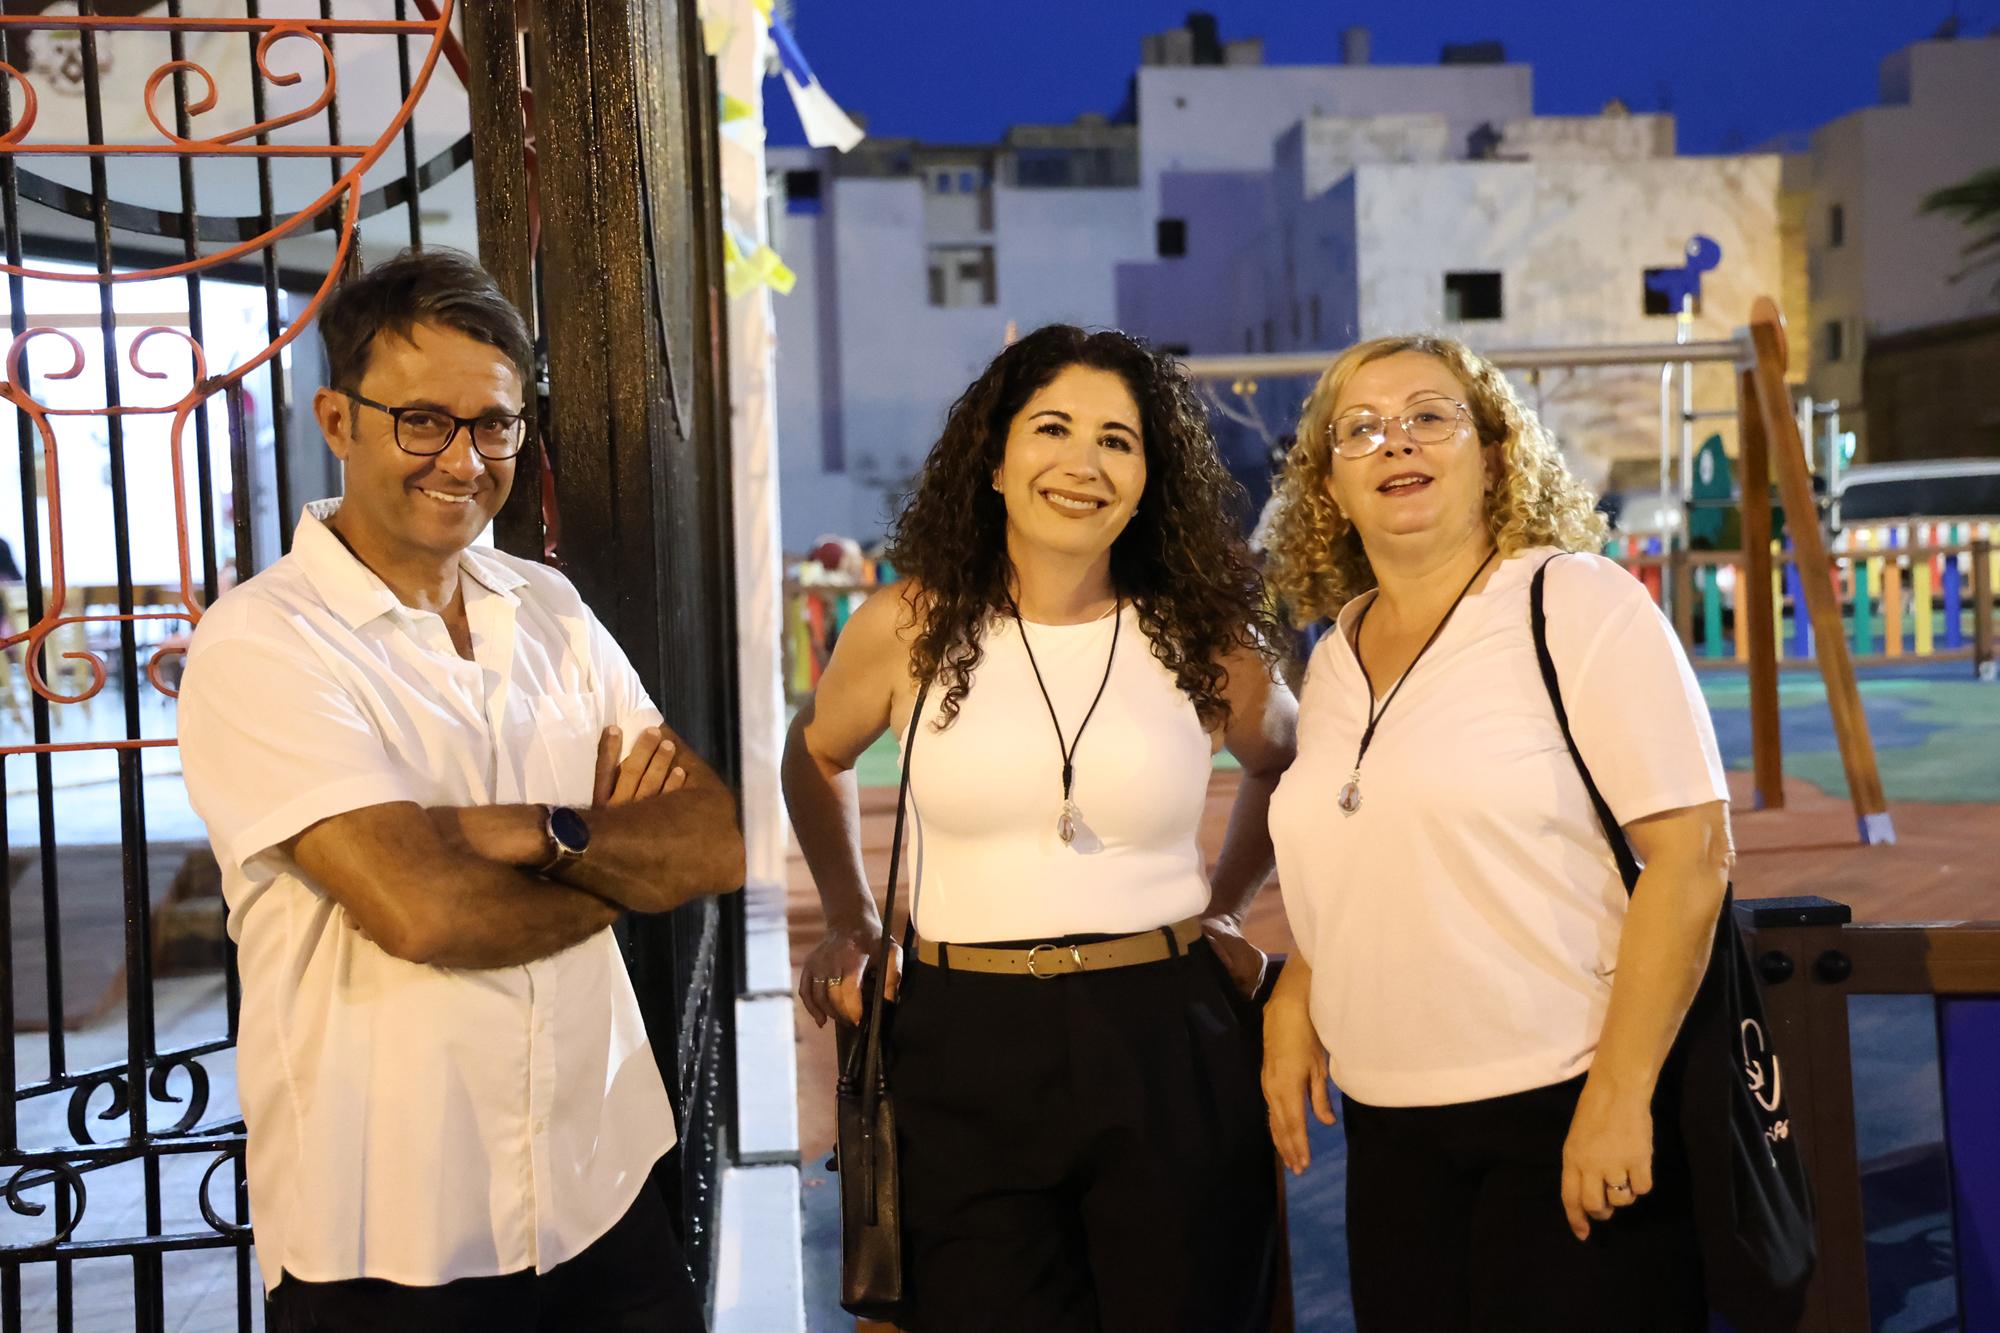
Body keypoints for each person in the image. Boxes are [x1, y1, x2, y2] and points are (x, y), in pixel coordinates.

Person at [177, 248, 744, 1331]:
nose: (464, 458)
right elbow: (425, 912)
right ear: (337, 421)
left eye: (494, 425)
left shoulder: (549, 608)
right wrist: (616, 866)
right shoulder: (264, 642)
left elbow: (711, 840)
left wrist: (527, 831)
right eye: (422, 421)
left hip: (600, 1179)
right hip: (391, 1228)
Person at [785, 325, 1296, 1332]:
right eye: (1052, 427)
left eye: (1117, 439)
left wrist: (1229, 905)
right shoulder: (909, 623)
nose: (1082, 462)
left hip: (1165, 1032)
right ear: (993, 457)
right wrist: (849, 915)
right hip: (961, 1033)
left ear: (1148, 479)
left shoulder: (1203, 635)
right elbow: (814, 753)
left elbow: (1289, 760)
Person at [1258, 334, 1731, 1332]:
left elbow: (1691, 852)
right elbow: (1369, 840)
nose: (1397, 442)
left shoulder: (1574, 601)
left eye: (1430, 416)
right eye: (1360, 429)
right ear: (1328, 488)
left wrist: (1619, 1094)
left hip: (1563, 1100)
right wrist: (1301, 982)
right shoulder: (1336, 653)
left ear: (1493, 454)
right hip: (1388, 1125)